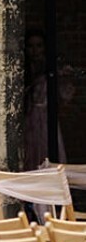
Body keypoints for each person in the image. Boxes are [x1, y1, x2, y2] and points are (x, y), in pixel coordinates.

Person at [23, 29, 72, 171]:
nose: (35, 50)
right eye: (31, 46)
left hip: (45, 118)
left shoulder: (51, 68)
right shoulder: (23, 69)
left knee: (47, 150)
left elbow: (65, 96)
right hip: (28, 118)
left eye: (39, 46)